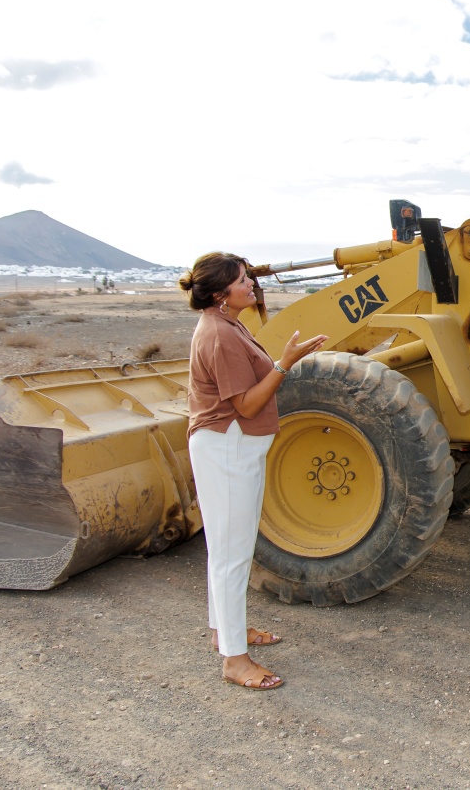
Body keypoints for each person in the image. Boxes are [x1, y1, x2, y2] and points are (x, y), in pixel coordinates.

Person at [179, 253, 327, 691]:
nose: (251, 285)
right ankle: (234, 661)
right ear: (222, 293)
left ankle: (226, 632)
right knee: (232, 553)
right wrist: (285, 362)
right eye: (243, 280)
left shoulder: (227, 324)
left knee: (227, 549)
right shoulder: (220, 336)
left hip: (233, 446)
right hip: (228, 447)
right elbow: (246, 404)